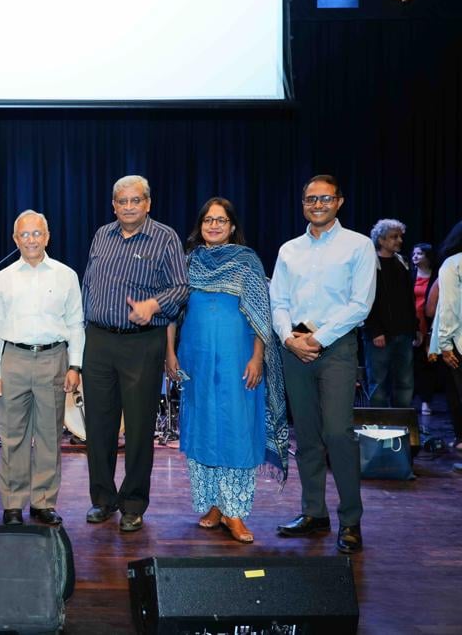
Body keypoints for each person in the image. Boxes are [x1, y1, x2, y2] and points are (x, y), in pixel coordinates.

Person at [165, 198, 289, 544]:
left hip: (239, 359)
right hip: (196, 360)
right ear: (200, 225)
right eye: (208, 220)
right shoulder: (188, 262)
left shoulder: (247, 262)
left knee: (236, 429)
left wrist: (257, 358)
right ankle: (214, 505)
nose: (214, 226)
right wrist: (170, 354)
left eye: (221, 220)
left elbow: (261, 314)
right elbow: (172, 312)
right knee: (203, 430)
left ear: (232, 225)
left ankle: (235, 511)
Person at [270, 175, 376, 554]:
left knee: (337, 434)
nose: (317, 204)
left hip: (336, 349)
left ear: (340, 201)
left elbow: (360, 305)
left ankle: (350, 520)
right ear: (303, 203)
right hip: (294, 348)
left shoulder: (359, 246)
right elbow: (277, 300)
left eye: (325, 198)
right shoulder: (289, 250)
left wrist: (318, 339)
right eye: (310, 199)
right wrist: (287, 338)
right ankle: (313, 512)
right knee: (308, 437)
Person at [81, 175, 188, 533]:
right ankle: (103, 500)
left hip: (142, 342)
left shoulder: (165, 237)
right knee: (98, 426)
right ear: (114, 205)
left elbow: (181, 287)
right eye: (122, 201)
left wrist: (153, 304)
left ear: (147, 203)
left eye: (135, 201)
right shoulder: (101, 235)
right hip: (98, 340)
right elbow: (89, 283)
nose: (128, 207)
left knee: (140, 428)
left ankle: (133, 503)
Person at [0, 210, 84, 526]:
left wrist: (75, 365)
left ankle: (43, 502)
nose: (31, 239)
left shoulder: (66, 275)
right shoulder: (2, 278)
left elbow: (76, 324)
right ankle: (12, 504)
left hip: (54, 359)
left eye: (37, 233)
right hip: (13, 359)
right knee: (12, 435)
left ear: (47, 236)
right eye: (24, 234)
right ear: (15, 239)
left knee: (49, 435)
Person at [362, 219, 417, 407]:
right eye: (394, 237)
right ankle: (380, 427)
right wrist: (375, 330)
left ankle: (402, 425)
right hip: (379, 335)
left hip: (404, 332)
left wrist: (415, 327)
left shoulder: (402, 262)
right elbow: (366, 300)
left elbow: (408, 299)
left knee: (405, 381)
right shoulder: (370, 264)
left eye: (400, 236)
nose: (399, 240)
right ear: (381, 240)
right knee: (378, 383)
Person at [431, 221, 462, 453]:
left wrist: (443, 344)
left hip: (457, 340)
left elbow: (447, 306)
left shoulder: (453, 264)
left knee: (457, 392)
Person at [412, 243, 437, 415]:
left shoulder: (436, 275)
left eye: (419, 254)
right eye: (414, 253)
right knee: (407, 365)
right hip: (410, 323)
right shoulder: (409, 274)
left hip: (428, 323)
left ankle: (426, 402)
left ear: (427, 256)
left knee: (426, 365)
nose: (415, 257)